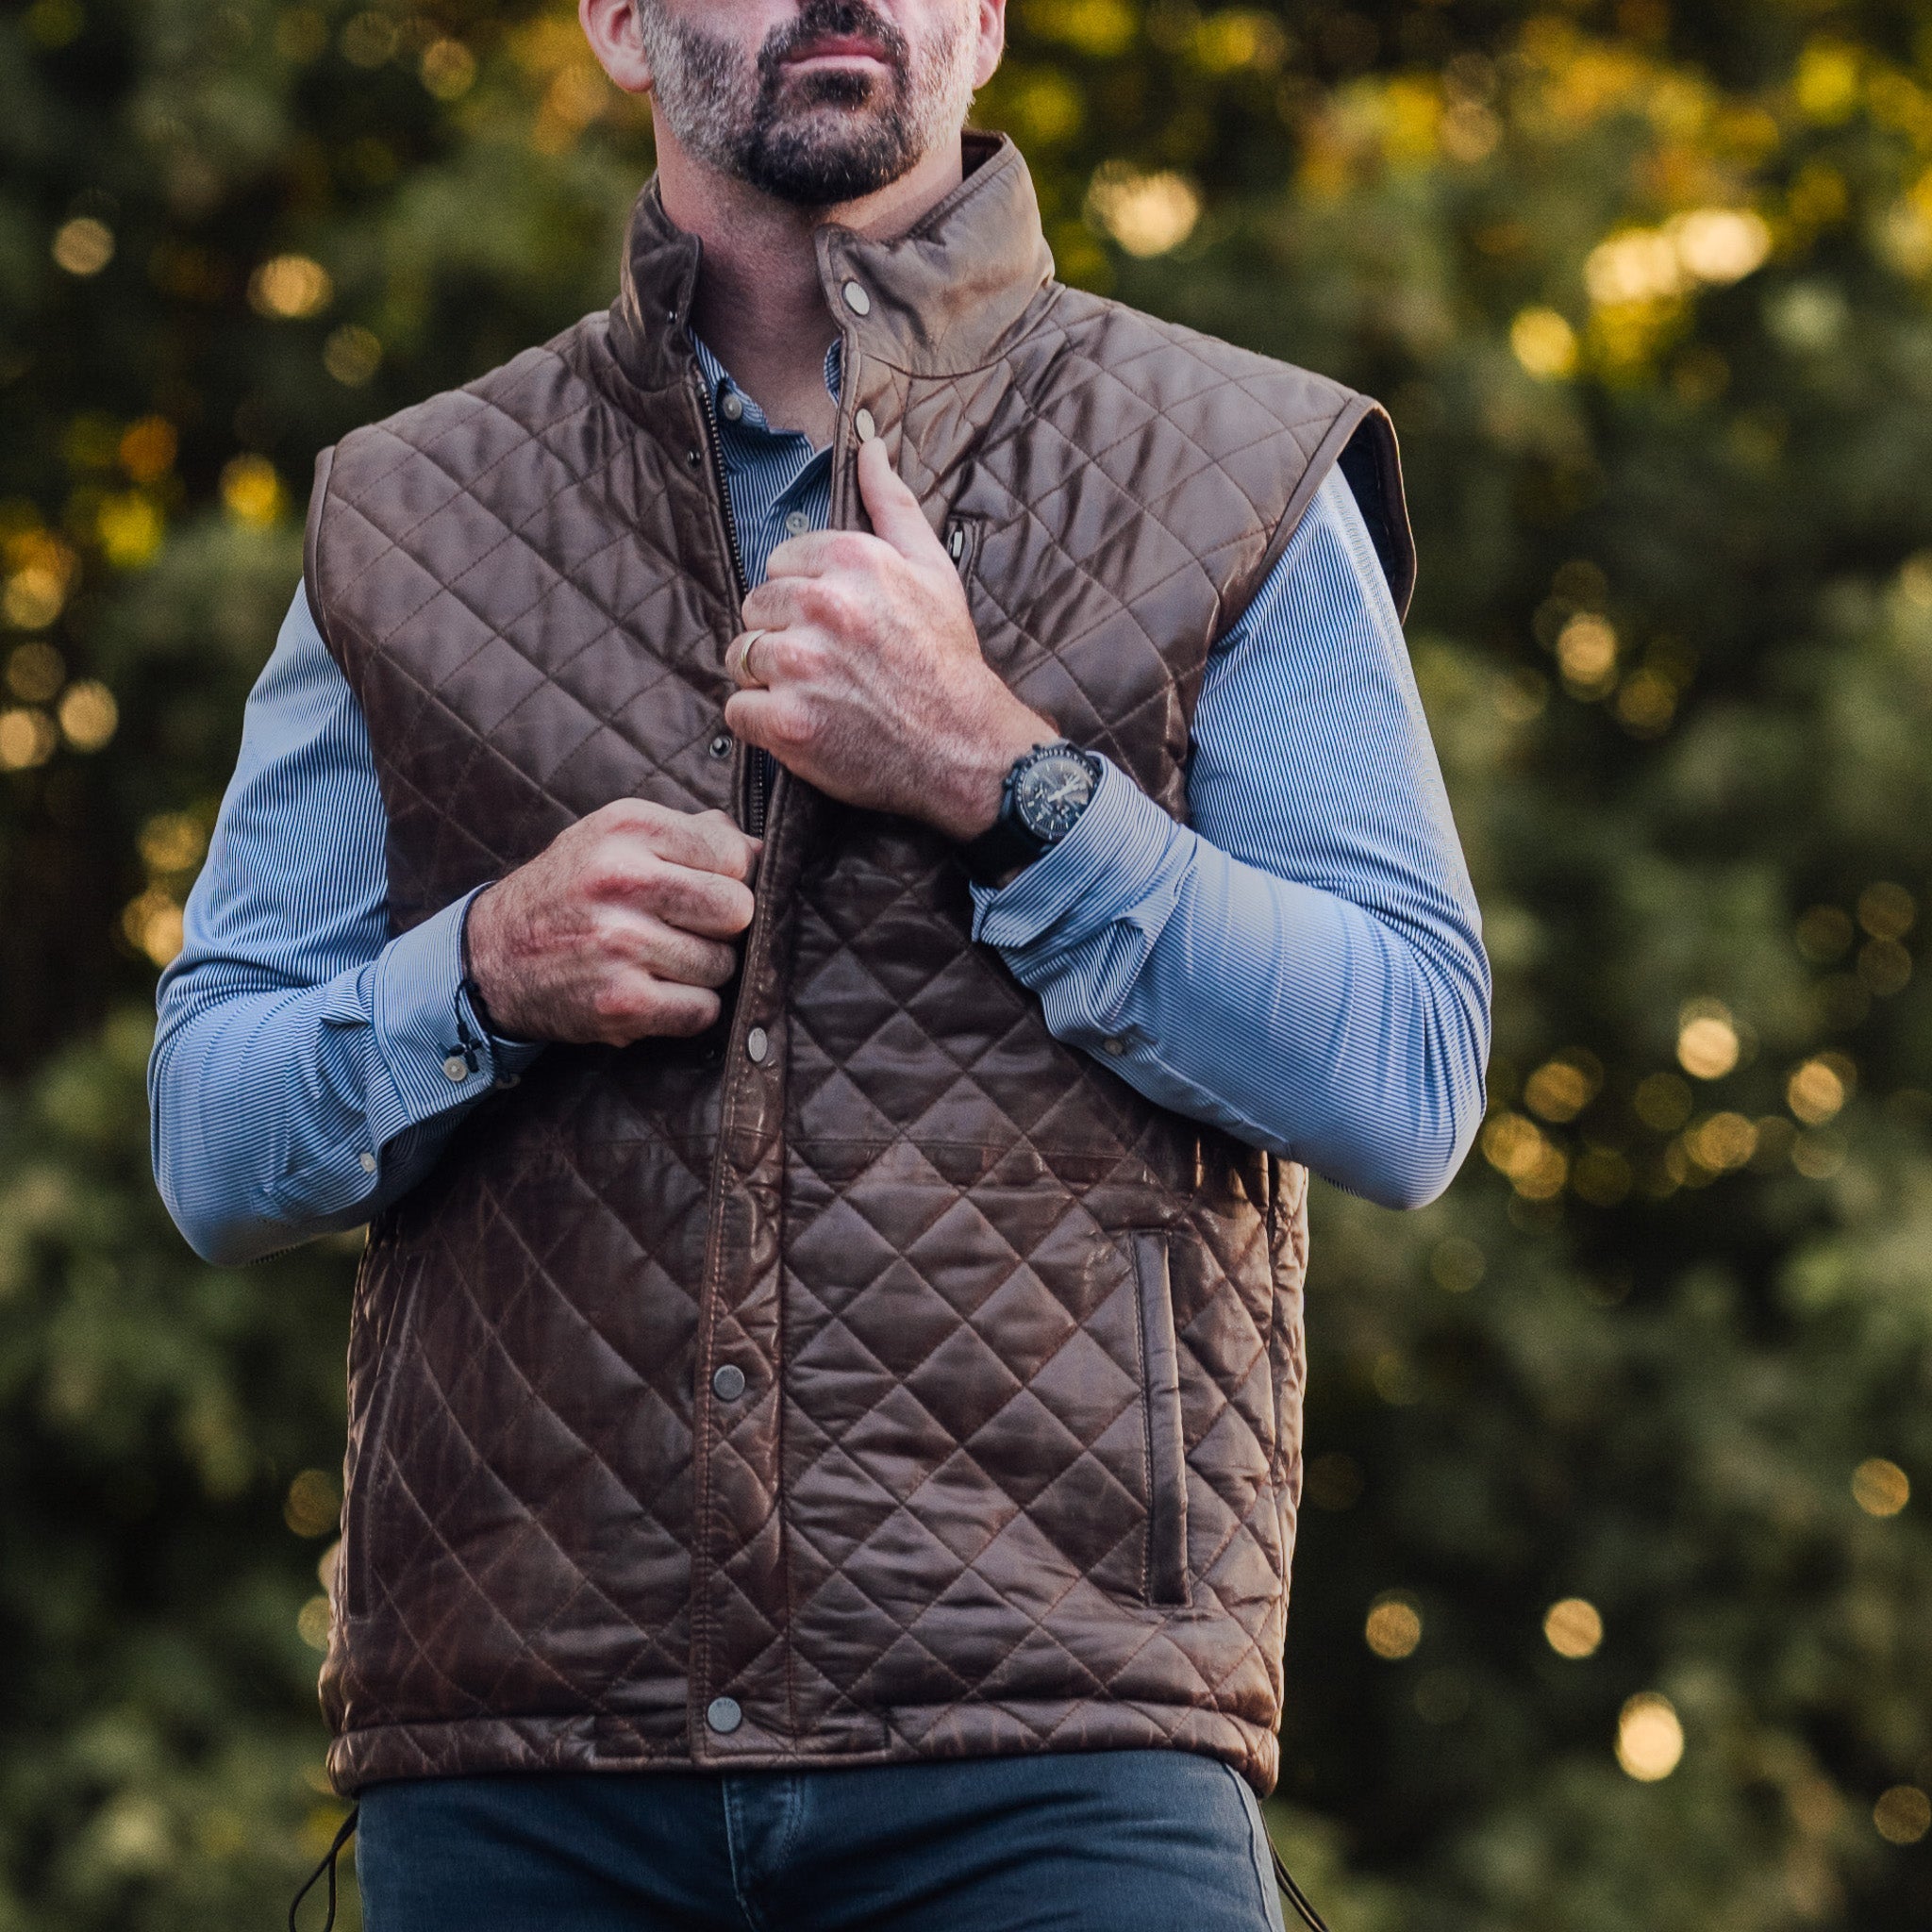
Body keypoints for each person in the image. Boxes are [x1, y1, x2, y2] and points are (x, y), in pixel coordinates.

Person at [150, 0, 1490, 1924]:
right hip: (519, 1773)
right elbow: (209, 1136)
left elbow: (1410, 1077)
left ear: (989, 22)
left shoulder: (1238, 466)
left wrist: (993, 773)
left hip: (1058, 1751)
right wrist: (480, 973)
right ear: (617, 24)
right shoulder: (410, 510)